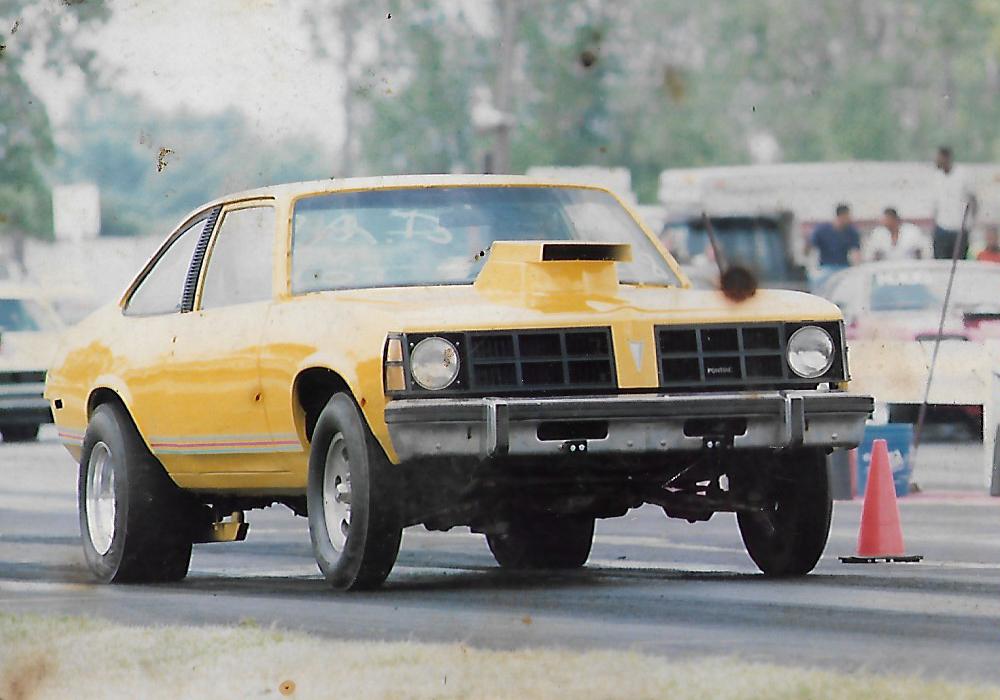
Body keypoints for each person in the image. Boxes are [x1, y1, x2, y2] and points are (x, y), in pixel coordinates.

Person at [931, 146, 977, 259]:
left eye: (939, 158)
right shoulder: (936, 176)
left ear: (947, 158)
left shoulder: (963, 175)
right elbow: (935, 204)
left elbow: (973, 200)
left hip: (960, 229)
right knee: (940, 263)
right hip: (942, 228)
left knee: (959, 263)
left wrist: (972, 223)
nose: (936, 160)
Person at [807, 203, 861, 290]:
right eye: (847, 216)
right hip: (826, 267)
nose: (849, 219)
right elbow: (811, 247)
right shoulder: (822, 230)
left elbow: (855, 251)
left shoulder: (851, 232)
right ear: (841, 216)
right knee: (818, 282)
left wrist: (857, 268)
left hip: (843, 266)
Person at [865, 208, 932, 262]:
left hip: (910, 269)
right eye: (884, 219)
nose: (884, 222)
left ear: (894, 219)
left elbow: (923, 251)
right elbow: (871, 255)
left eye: (887, 219)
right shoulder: (878, 233)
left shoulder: (912, 231)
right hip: (885, 270)